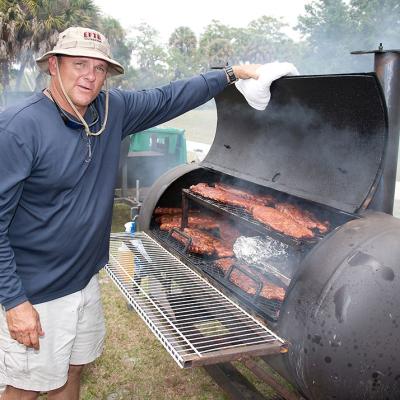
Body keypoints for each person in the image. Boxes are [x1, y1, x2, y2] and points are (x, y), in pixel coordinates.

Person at [0, 26, 260, 399]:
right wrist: (14, 301)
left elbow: (170, 97)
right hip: (36, 290)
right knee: (27, 389)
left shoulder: (111, 109)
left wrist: (230, 74)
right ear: (53, 66)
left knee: (72, 371)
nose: (90, 76)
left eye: (99, 68)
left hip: (83, 278)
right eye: (79, 64)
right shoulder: (19, 127)